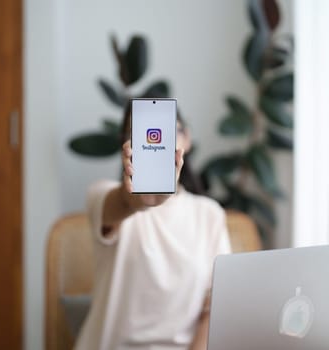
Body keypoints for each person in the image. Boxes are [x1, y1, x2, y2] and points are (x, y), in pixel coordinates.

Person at [74, 102, 231, 350]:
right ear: (125, 145)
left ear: (186, 139)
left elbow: (215, 309)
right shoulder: (101, 196)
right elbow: (122, 203)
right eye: (138, 133)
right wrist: (137, 200)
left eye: (169, 131)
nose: (156, 141)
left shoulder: (209, 215)